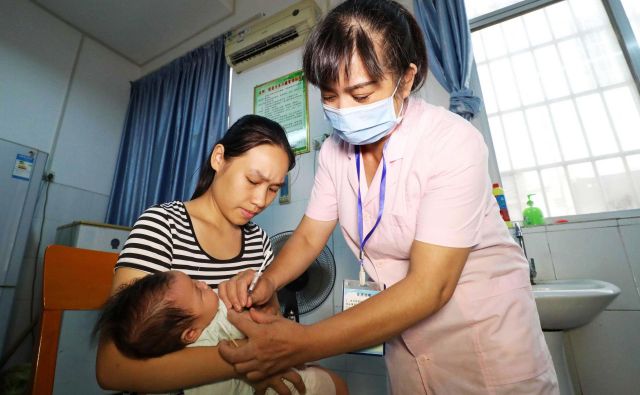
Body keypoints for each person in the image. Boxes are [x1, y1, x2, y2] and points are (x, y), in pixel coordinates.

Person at [217, 1, 560, 394]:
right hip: (405, 339)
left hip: (484, 338)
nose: (343, 111)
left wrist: (301, 343)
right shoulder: (334, 152)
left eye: (361, 95)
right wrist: (268, 281)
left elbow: (431, 287)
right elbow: (311, 236)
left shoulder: (451, 142)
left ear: (407, 78)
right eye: (330, 96)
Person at [96, 114, 317, 395]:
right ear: (219, 158)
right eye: (252, 180)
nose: (261, 200)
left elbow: (270, 324)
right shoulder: (163, 226)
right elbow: (113, 368)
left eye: (273, 189)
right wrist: (248, 360)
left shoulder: (259, 242)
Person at [94, 270, 346, 395]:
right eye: (199, 290)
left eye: (273, 188)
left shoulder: (172, 348)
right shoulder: (220, 318)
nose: (205, 284)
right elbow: (258, 325)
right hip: (266, 385)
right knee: (331, 385)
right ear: (190, 334)